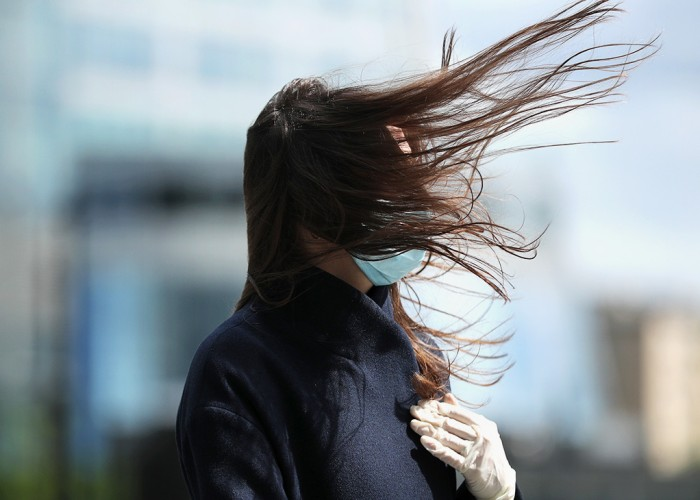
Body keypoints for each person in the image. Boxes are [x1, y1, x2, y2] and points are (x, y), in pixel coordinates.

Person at [176, 1, 655, 498]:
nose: (416, 208)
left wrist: (494, 493)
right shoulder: (237, 370)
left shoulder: (420, 364)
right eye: (392, 187)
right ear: (316, 210)